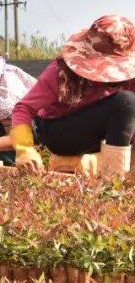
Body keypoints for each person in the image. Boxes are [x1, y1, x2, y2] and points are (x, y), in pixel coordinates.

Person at [11, 14, 135, 180]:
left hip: (103, 136)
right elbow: (23, 108)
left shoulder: (130, 77)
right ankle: (112, 181)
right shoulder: (61, 72)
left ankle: (116, 172)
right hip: (61, 132)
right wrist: (24, 149)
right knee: (125, 102)